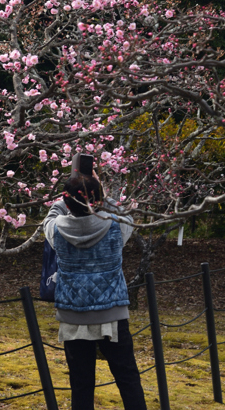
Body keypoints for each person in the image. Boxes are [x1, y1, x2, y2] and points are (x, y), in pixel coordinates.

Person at [43, 160, 147, 410]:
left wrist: (70, 195)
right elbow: (126, 214)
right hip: (112, 314)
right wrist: (99, 192)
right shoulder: (115, 226)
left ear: (67, 203)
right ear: (98, 200)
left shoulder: (56, 230)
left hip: (73, 316)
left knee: (81, 383)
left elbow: (51, 215)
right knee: (127, 378)